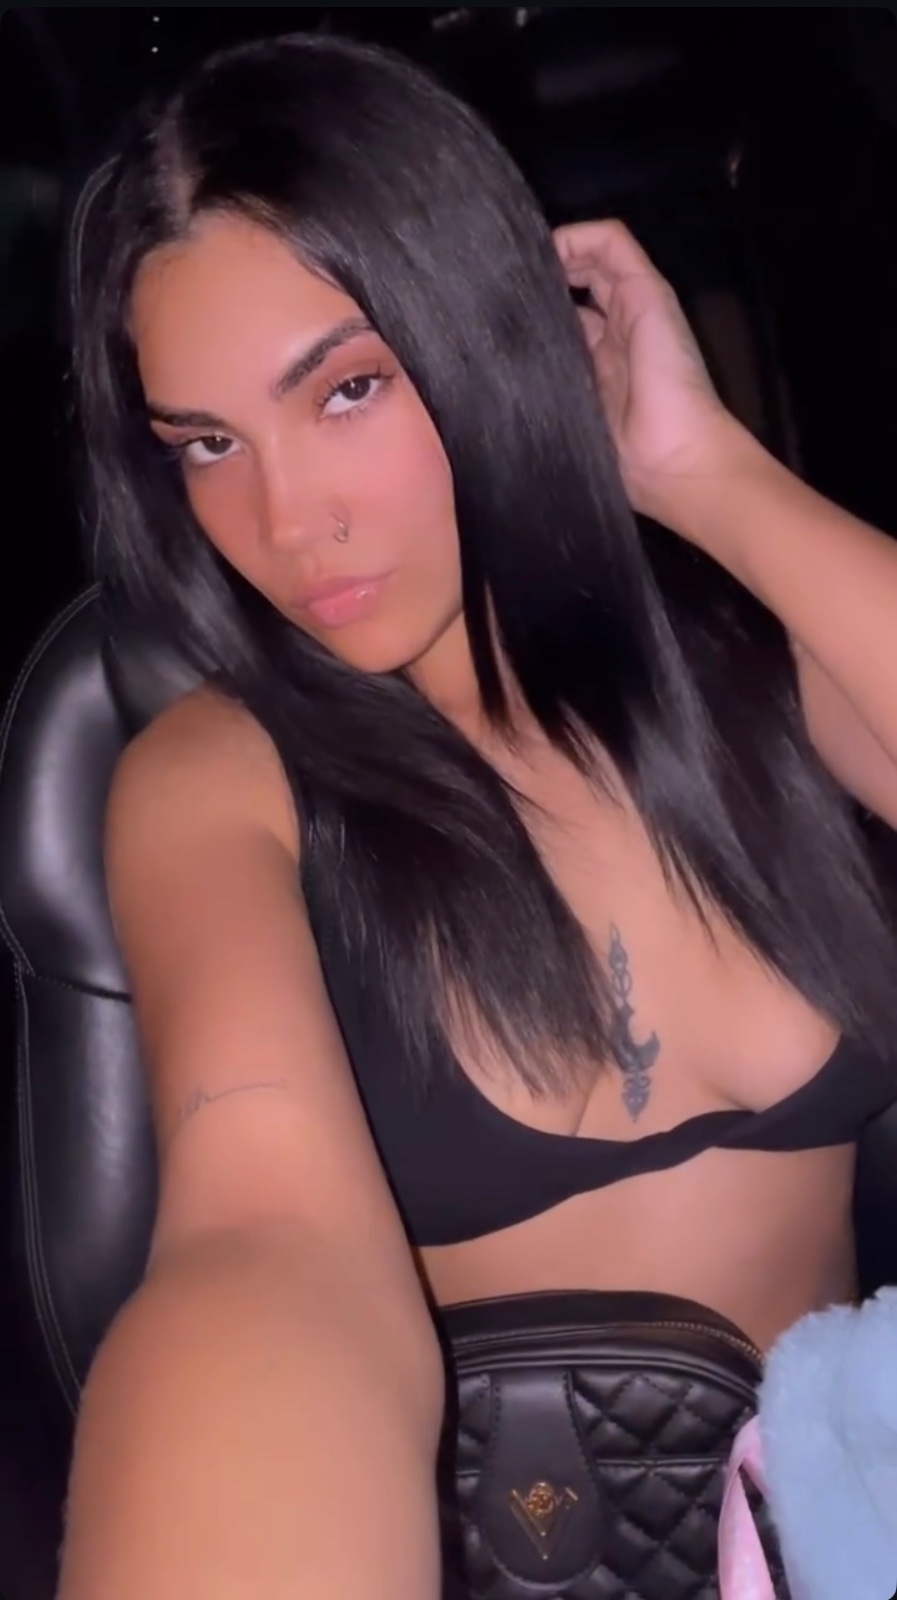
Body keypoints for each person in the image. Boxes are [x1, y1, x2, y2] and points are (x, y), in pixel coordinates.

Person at [60, 30, 897, 1600]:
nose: (285, 521)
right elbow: (256, 1237)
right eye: (207, 446)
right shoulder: (218, 775)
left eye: (349, 390)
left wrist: (702, 473)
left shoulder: (757, 659)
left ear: (485, 333)